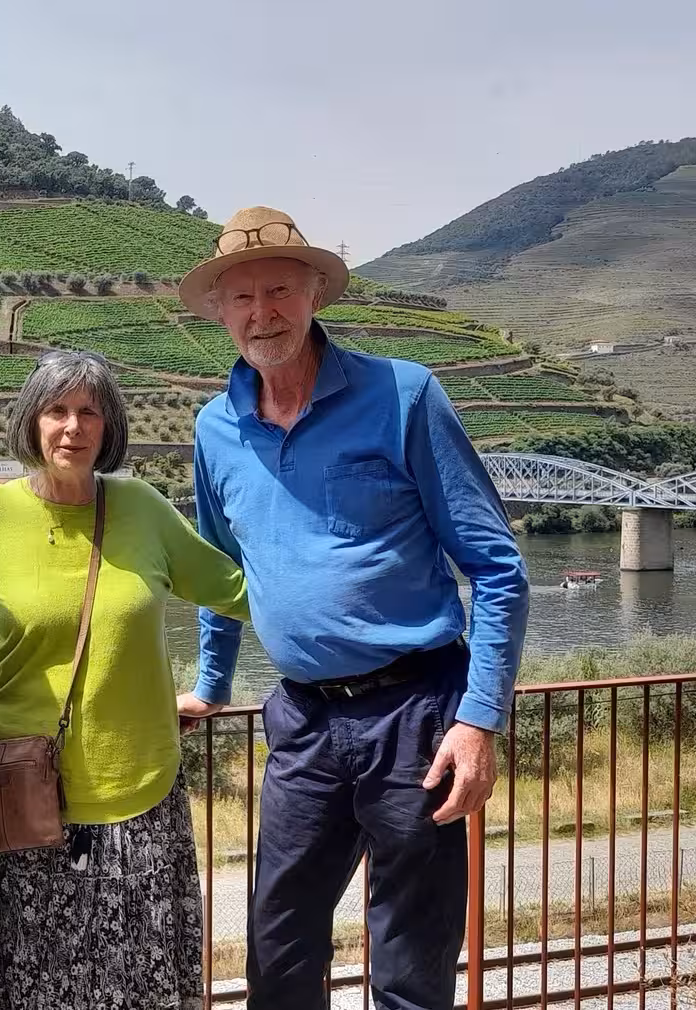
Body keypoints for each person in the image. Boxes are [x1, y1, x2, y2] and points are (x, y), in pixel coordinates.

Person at [176, 207, 530, 1010]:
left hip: (416, 712)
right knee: (278, 947)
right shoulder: (215, 428)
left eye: (279, 291)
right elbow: (219, 569)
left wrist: (479, 720)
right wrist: (211, 684)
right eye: (243, 298)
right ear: (220, 312)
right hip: (302, 718)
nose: (262, 312)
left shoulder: (403, 395)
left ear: (314, 295)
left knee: (410, 959)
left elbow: (497, 568)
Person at [0, 350, 251, 1010]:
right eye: (56, 410)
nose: (73, 426)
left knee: (139, 988)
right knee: (36, 990)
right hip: (23, 801)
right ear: (31, 422)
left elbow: (235, 591)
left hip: (139, 795)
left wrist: (353, 595)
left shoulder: (142, 509)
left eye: (89, 411)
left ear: (109, 425)